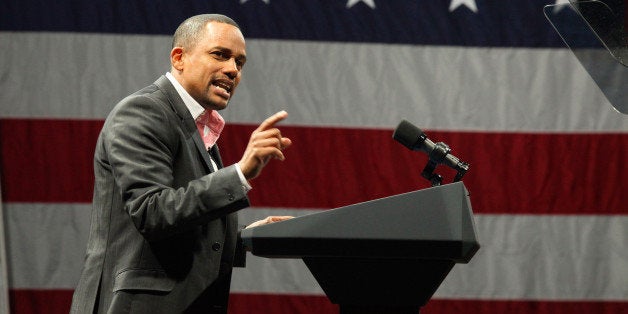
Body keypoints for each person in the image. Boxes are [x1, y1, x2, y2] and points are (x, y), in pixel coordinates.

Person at [70, 14, 292, 313]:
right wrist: (240, 173)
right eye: (220, 55)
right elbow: (152, 212)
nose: (232, 70)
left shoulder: (200, 128)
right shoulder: (143, 111)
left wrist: (248, 238)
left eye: (240, 63)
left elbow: (182, 228)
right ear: (179, 57)